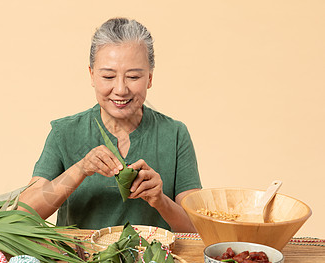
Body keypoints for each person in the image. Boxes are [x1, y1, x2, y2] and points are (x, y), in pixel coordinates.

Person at [19, 17, 201, 232]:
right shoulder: (64, 133)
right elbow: (24, 213)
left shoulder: (175, 134)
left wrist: (161, 200)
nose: (121, 89)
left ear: (150, 78)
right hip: (80, 262)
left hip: (151, 261)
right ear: (92, 75)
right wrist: (81, 169)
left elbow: (198, 229)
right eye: (108, 76)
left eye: (133, 76)